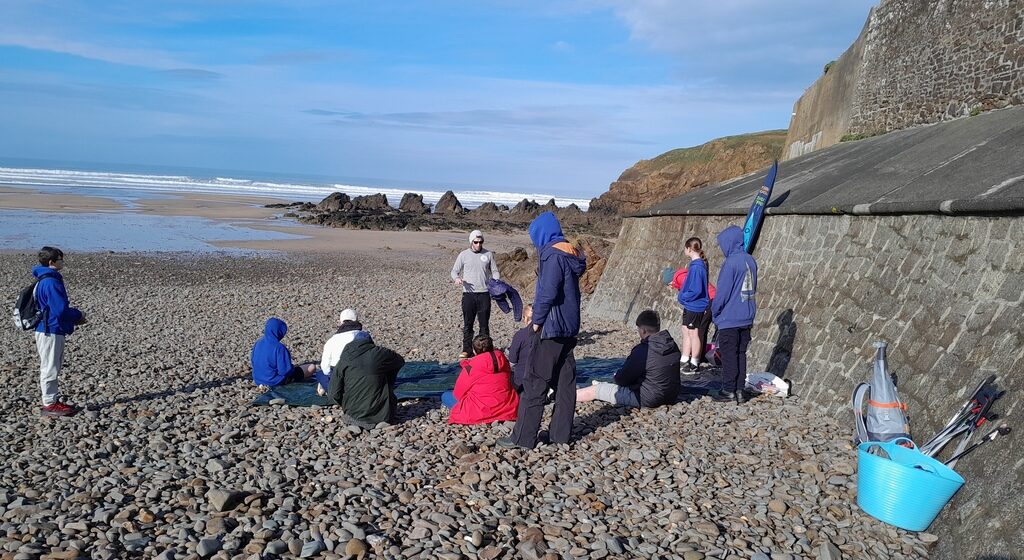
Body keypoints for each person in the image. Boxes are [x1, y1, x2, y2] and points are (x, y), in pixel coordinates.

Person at [500, 212, 586, 449]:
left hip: (552, 327)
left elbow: (548, 291)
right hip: (569, 327)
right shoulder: (570, 252)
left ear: (541, 234)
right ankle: (560, 435)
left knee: (535, 382)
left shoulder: (551, 253)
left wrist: (536, 321)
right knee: (565, 384)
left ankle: (522, 438)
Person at [576, 310, 681, 408]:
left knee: (595, 390)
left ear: (643, 330)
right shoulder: (671, 345)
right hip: (671, 395)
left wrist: (616, 376)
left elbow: (623, 379)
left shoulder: (643, 350)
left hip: (648, 398)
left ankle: (563, 398)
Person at [32, 246, 87, 417]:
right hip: (51, 329)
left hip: (47, 328)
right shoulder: (51, 282)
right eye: (60, 259)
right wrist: (78, 315)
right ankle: (50, 403)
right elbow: (60, 310)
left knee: (50, 365)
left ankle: (51, 400)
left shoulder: (42, 279)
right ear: (51, 262)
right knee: (50, 366)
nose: (63, 262)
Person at [710, 225, 758, 403]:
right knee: (740, 353)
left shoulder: (730, 263)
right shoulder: (750, 261)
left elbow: (722, 293)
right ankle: (739, 390)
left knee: (729, 354)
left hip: (730, 317)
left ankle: (728, 390)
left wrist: (715, 312)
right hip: (747, 315)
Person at [326, 333, 405, 429]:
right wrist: (388, 378)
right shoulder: (380, 353)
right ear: (370, 342)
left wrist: (344, 403)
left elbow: (333, 393)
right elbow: (400, 361)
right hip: (382, 415)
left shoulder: (344, 359)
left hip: (353, 414)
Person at [442, 335, 519, 425]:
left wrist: (466, 365)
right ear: (492, 347)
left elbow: (458, 393)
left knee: (446, 395)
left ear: (474, 351)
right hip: (507, 407)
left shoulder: (471, 367)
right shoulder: (502, 360)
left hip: (480, 411)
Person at [451, 229, 501, 359]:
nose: (479, 245)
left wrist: (495, 280)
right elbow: (454, 271)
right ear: (471, 242)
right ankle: (467, 349)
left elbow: (495, 271)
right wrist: (457, 278)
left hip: (484, 294)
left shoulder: (488, 254)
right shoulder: (463, 255)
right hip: (469, 294)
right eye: (476, 242)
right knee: (468, 323)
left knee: (484, 324)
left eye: (481, 242)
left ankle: (485, 349)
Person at [251, 317, 317, 388]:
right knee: (311, 367)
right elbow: (285, 371)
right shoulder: (279, 347)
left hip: (258, 380)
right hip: (274, 382)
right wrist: (292, 368)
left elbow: (253, 361)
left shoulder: (258, 343)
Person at [316, 308, 370, 394]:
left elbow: (325, 368)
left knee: (320, 374)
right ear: (357, 320)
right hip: (363, 378)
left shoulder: (332, 340)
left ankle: (328, 388)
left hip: (341, 379)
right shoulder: (364, 337)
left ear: (340, 322)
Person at [670, 267, 716, 368]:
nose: (671, 287)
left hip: (709, 299)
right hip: (708, 299)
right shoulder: (683, 276)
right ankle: (698, 355)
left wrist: (702, 306)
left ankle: (696, 360)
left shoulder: (681, 278)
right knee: (700, 330)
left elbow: (695, 289)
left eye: (670, 284)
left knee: (699, 330)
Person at [677, 237, 710, 373]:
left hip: (695, 305)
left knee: (694, 333)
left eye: (685, 248)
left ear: (689, 249)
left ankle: (694, 362)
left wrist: (683, 296)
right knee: (686, 330)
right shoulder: (696, 265)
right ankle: (684, 359)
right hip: (691, 305)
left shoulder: (697, 267)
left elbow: (696, 289)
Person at [505, 304, 534, 393]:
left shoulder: (520, 335)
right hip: (544, 378)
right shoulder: (547, 335)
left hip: (522, 379)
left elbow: (512, 360)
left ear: (525, 318)